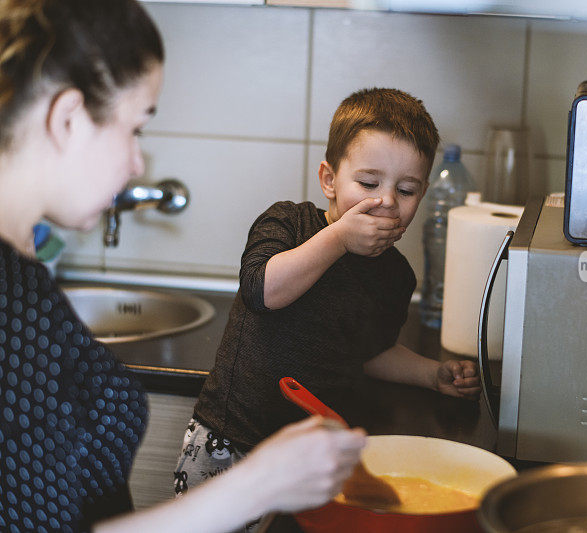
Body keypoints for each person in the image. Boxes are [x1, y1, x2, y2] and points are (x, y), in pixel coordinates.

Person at [0, 1, 366, 532]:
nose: (136, 164)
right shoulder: (10, 295)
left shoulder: (22, 271)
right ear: (69, 118)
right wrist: (259, 482)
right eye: (136, 129)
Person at [177, 87, 482, 495]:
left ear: (422, 194)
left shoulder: (395, 275)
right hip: (232, 439)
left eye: (406, 190)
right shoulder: (287, 222)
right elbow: (262, 291)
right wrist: (338, 239)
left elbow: (372, 353)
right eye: (369, 182)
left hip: (311, 458)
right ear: (329, 180)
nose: (386, 201)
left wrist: (432, 375)